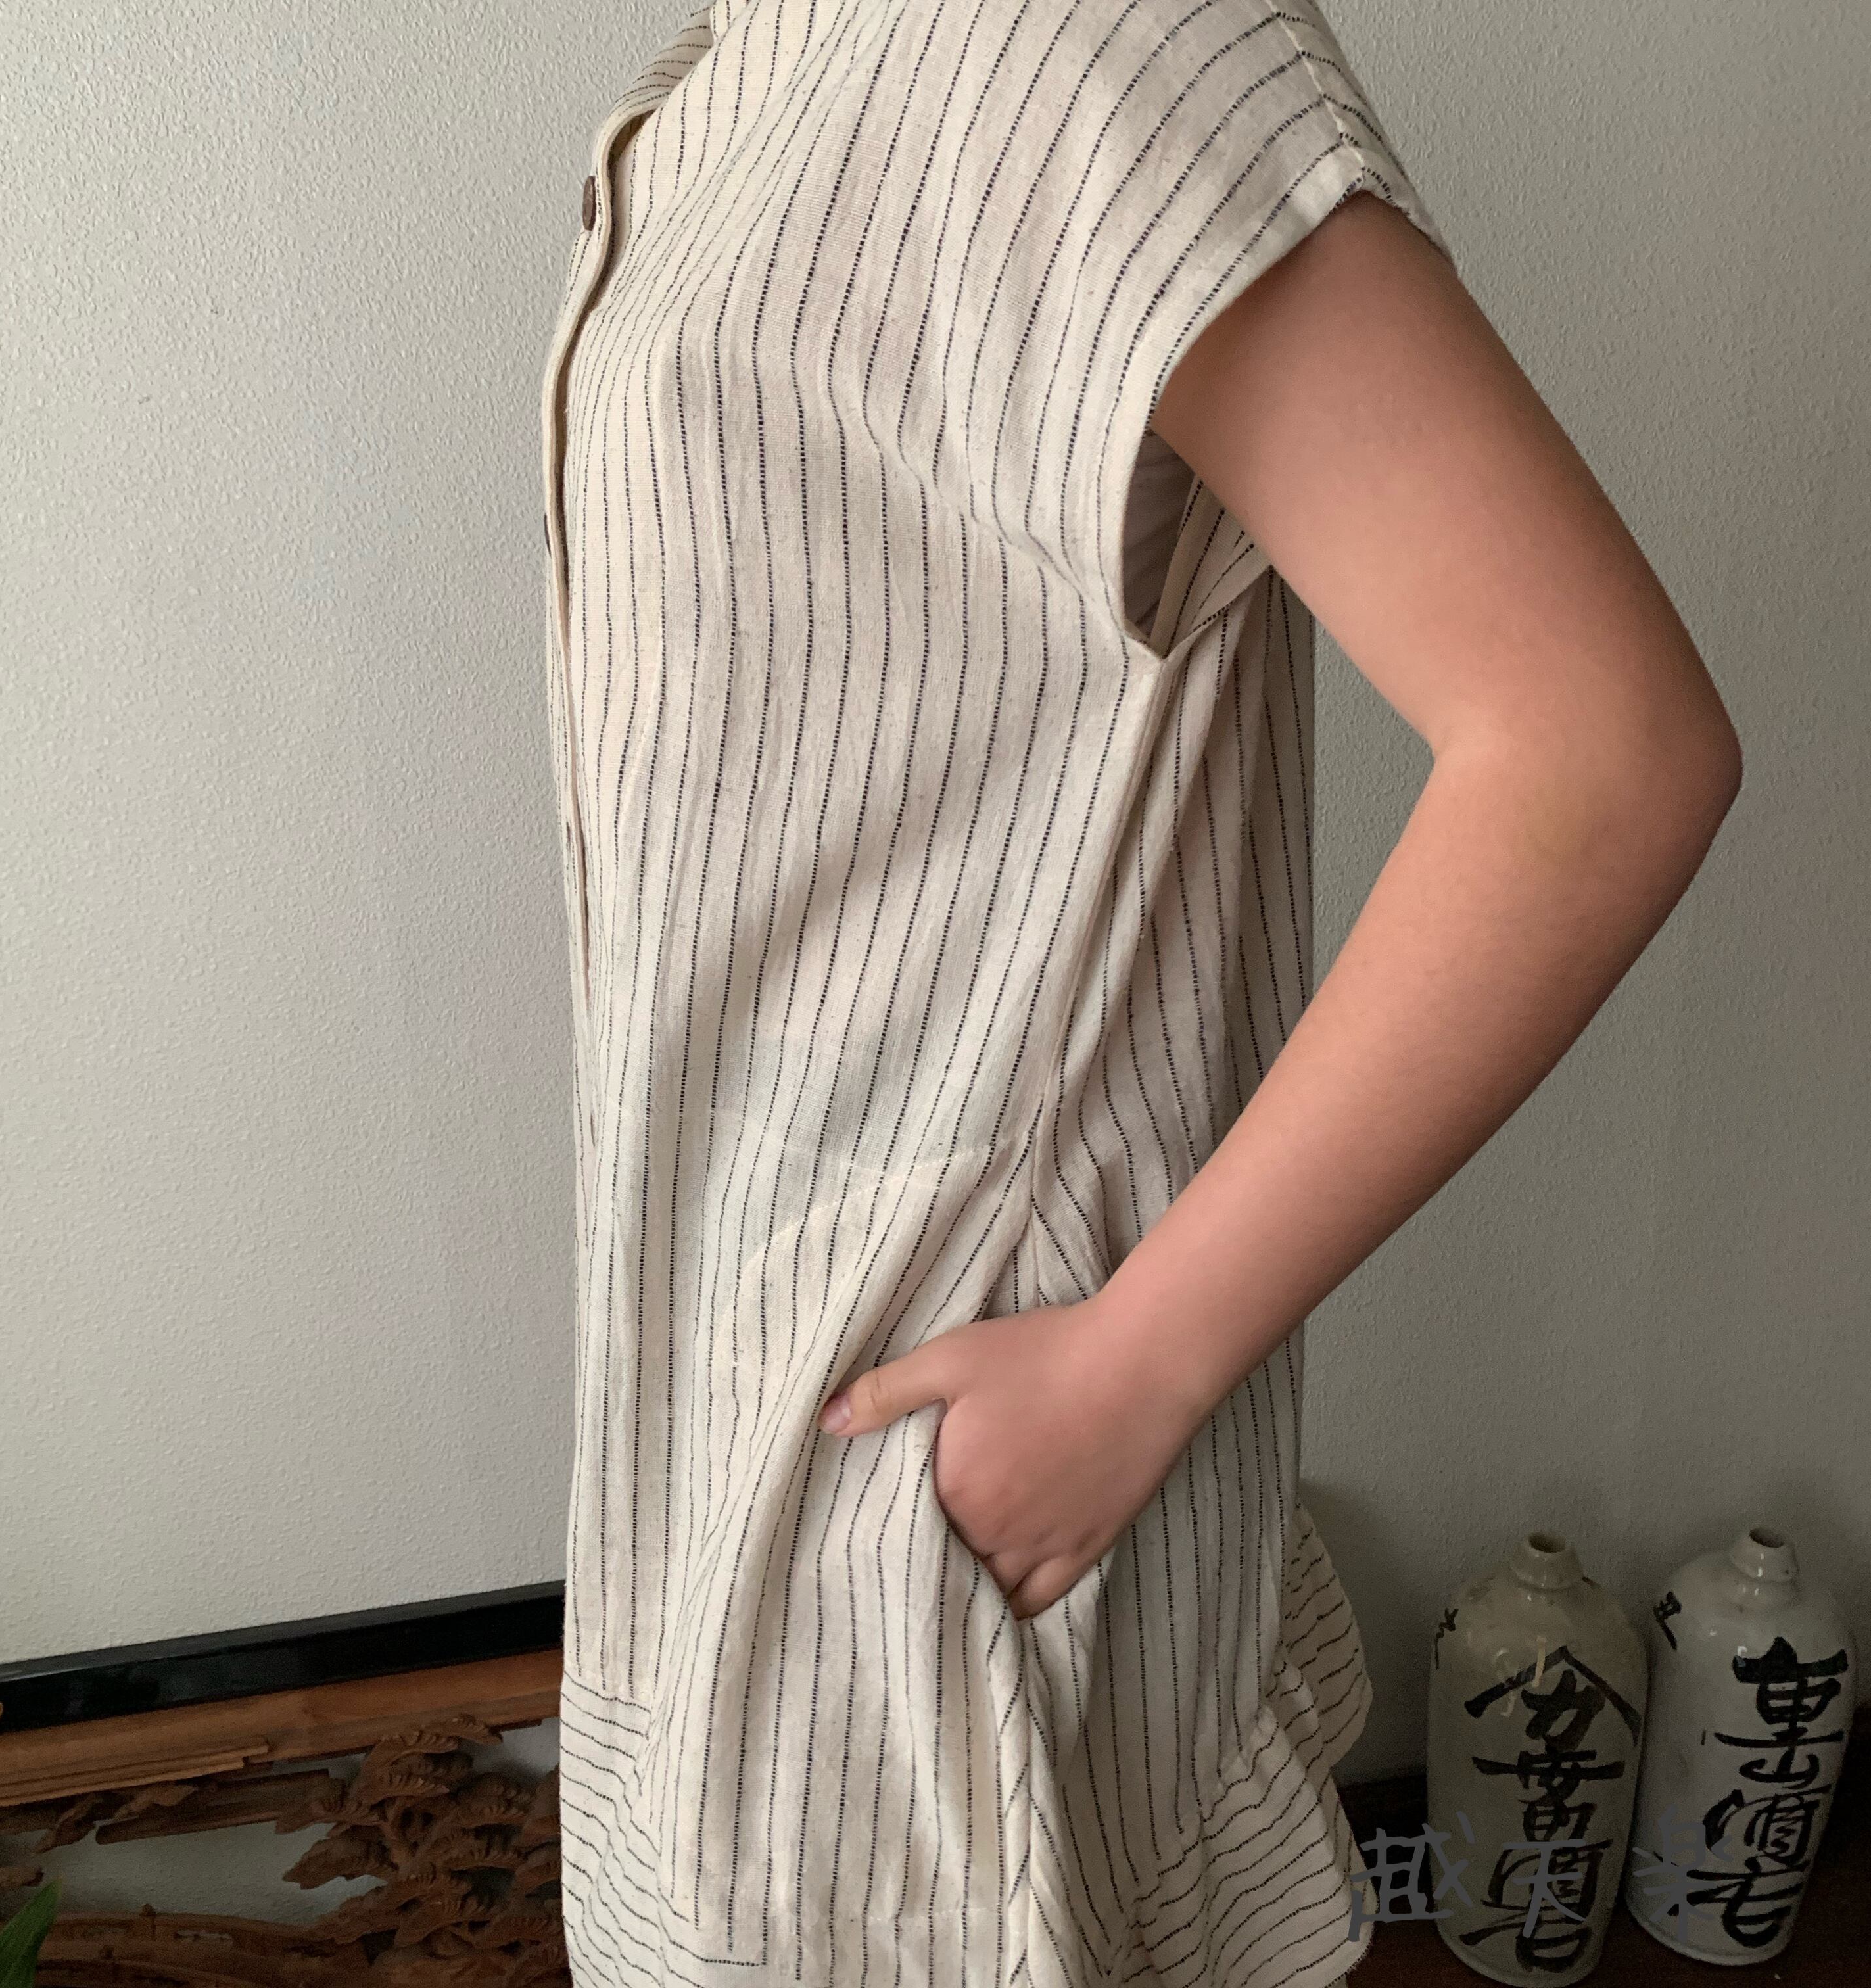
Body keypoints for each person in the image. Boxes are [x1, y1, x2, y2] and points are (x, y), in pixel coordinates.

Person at [536, 0, 1742, 1981]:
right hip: (732, 1412)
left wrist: (1137, 1364)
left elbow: (1600, 752)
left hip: (923, 1511)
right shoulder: (759, 59)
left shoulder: (1078, 50)